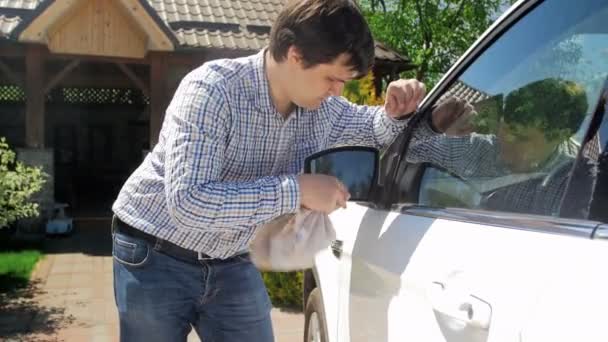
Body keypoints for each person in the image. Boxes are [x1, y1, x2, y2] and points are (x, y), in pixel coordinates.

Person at [110, 1, 427, 341]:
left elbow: (374, 128)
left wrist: (396, 110)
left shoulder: (323, 108)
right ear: (295, 55)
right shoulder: (212, 90)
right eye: (333, 78)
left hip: (231, 256)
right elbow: (189, 201)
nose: (339, 90)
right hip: (155, 250)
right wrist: (298, 191)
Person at [409, 77, 594, 217]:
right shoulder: (479, 148)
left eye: (519, 137)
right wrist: (433, 126)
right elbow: (402, 147)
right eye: (502, 131)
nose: (503, 142)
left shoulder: (571, 184)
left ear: (561, 135)